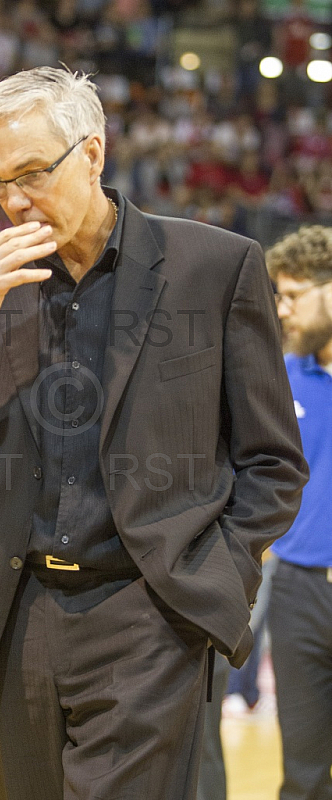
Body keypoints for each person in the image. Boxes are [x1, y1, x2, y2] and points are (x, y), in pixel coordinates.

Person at [0, 67, 308, 800]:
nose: (13, 200)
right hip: (7, 622)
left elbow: (271, 462)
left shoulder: (214, 268)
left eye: (31, 173)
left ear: (93, 153)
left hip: (148, 613)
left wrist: (217, 571)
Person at [266, 225, 332, 800]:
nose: (282, 310)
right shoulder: (282, 377)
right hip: (296, 592)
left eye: (293, 295)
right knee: (303, 772)